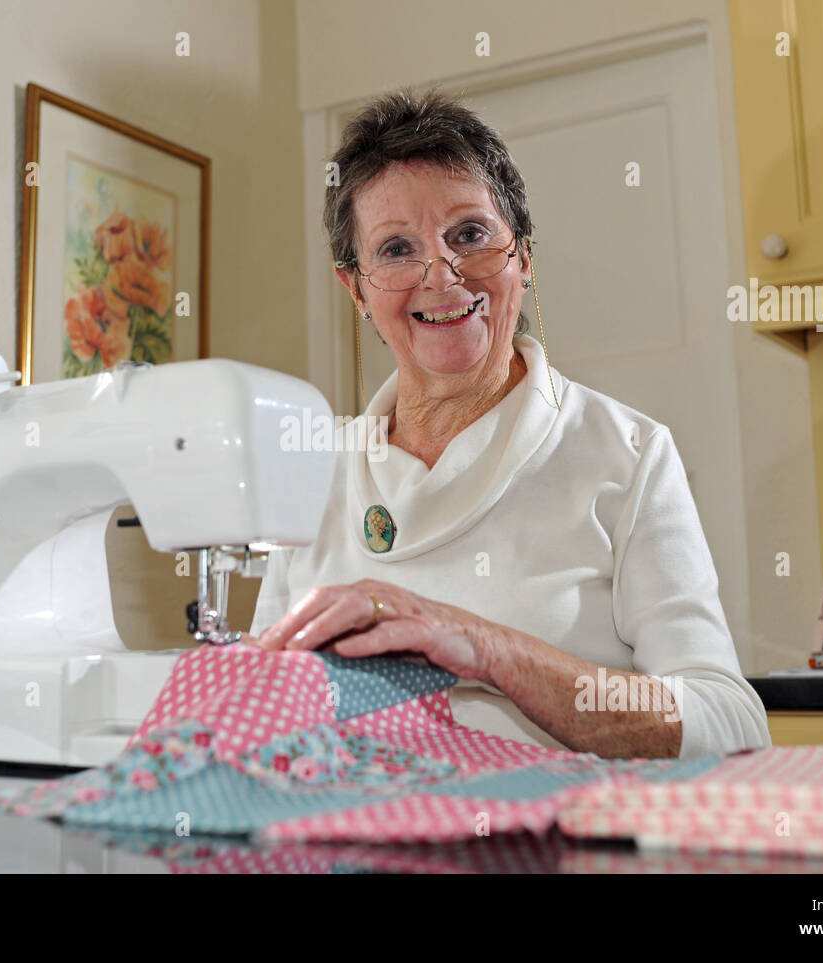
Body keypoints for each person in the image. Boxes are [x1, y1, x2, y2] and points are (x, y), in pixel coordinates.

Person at [246, 89, 770, 760]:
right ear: (357, 290)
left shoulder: (628, 454)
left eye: (469, 235)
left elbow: (727, 717)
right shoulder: (315, 472)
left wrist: (487, 648)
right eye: (397, 248)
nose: (442, 274)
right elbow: (261, 699)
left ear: (522, 256)